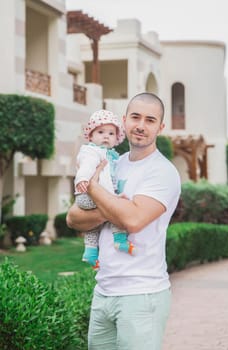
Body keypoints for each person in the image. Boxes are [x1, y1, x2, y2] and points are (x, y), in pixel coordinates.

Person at [67, 92, 181, 350]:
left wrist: (94, 188)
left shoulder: (162, 172)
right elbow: (73, 217)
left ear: (160, 127)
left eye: (150, 120)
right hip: (104, 291)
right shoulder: (113, 160)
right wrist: (118, 207)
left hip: (141, 295)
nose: (141, 125)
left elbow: (133, 220)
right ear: (124, 121)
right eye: (135, 117)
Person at [74, 109, 136, 271]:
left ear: (117, 139)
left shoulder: (111, 155)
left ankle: (90, 252)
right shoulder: (93, 151)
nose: (106, 136)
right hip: (87, 194)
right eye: (100, 132)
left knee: (93, 226)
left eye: (111, 133)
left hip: (87, 196)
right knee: (115, 207)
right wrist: (82, 179)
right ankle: (120, 239)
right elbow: (86, 165)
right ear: (91, 136)